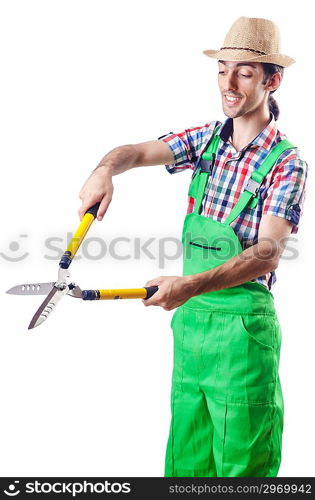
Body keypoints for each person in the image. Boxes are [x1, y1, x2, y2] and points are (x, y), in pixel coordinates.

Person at [78, 17, 308, 477]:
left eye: (244, 72)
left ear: (272, 80)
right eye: (223, 70)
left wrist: (189, 285)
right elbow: (137, 153)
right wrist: (105, 170)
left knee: (243, 464)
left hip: (243, 334)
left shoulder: (287, 164)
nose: (229, 83)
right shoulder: (206, 140)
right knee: (187, 462)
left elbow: (266, 253)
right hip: (191, 333)